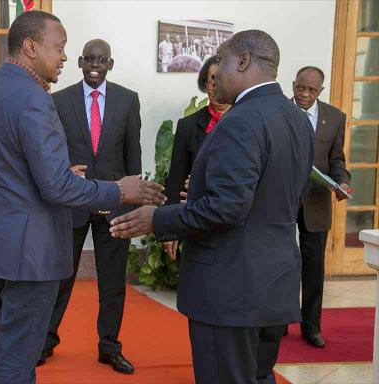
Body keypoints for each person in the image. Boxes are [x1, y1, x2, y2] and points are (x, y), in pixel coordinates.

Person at [0, 11, 165, 384]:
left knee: (6, 340)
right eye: (59, 48)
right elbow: (56, 187)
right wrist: (120, 189)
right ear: (30, 46)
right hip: (29, 251)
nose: (63, 57)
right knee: (19, 354)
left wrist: (50, 175)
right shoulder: (36, 99)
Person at [109, 30, 315, 384]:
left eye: (220, 60)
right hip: (274, 284)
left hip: (231, 292)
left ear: (244, 61)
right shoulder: (297, 119)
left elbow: (227, 210)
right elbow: (289, 194)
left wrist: (157, 218)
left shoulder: (239, 121)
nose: (214, 71)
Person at [36, 39, 140, 374]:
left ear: (110, 64)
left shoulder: (127, 100)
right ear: (80, 62)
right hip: (72, 202)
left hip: (114, 204)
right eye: (89, 58)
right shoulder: (60, 100)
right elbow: (51, 150)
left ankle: (110, 347)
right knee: (61, 277)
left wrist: (133, 200)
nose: (95, 64)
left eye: (102, 59)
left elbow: (132, 157)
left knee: (112, 282)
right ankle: (45, 342)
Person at [286, 66, 351, 348]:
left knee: (313, 267)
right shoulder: (278, 112)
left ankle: (311, 326)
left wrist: (342, 182)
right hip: (282, 200)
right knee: (282, 264)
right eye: (300, 87)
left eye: (311, 90)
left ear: (320, 91)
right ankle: (276, 323)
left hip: (317, 202)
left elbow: (337, 159)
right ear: (293, 85)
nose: (304, 94)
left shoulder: (335, 118)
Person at [164, 55, 231, 260]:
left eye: (219, 80)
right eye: (210, 80)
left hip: (232, 222)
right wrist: (170, 228)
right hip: (194, 219)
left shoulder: (247, 122)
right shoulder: (188, 125)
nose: (214, 86)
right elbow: (176, 179)